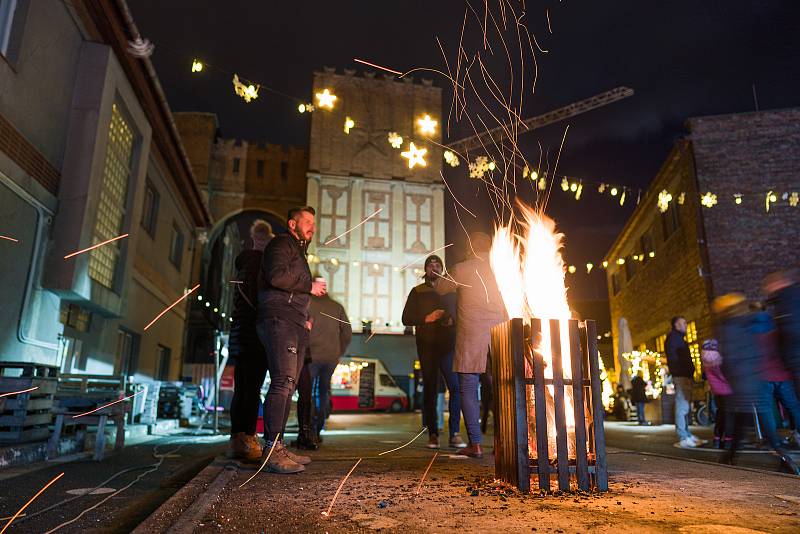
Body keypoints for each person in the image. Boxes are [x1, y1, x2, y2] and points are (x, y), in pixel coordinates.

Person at [257, 206, 327, 474]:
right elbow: (276, 276)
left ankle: (279, 446)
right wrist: (309, 286)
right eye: (307, 221)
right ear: (292, 224)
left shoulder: (298, 250)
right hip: (279, 319)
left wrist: (306, 317)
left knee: (290, 384)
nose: (312, 226)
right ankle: (271, 451)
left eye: (313, 222)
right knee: (282, 382)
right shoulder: (281, 243)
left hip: (295, 321)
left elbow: (292, 287)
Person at [436, 232, 508, 458]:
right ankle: (503, 444)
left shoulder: (463, 268)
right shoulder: (503, 269)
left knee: (468, 387)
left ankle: (475, 444)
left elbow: (440, 287)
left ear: (471, 248)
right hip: (500, 334)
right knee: (502, 389)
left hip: (471, 335)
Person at [714, 293, 799, 474]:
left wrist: (735, 378)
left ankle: (780, 456)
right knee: (744, 422)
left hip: (746, 381)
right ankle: (731, 456)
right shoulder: (751, 323)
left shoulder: (732, 327)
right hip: (753, 378)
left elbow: (732, 356)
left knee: (746, 421)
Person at [402, 255, 465, 449]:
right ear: (426, 270)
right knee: (430, 389)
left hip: (448, 345)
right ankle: (433, 434)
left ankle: (454, 432)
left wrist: (452, 320)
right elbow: (406, 318)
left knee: (455, 387)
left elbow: (461, 314)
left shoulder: (452, 291)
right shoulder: (418, 291)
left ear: (442, 268)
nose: (434, 267)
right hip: (427, 346)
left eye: (438, 264)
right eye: (430, 265)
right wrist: (426, 318)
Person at [228, 220, 274, 462]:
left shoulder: (242, 264)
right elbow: (262, 302)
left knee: (242, 388)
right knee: (252, 389)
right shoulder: (259, 265)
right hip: (254, 336)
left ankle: (237, 437)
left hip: (239, 335)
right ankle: (247, 437)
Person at [752, 303, 800, 449]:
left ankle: (774, 443)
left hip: (762, 375)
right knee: (793, 407)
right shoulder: (776, 325)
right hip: (782, 373)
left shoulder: (749, 329)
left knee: (766, 410)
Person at [307, 290, 351, 442]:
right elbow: (347, 332)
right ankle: (319, 429)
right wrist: (339, 350)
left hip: (312, 356)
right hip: (331, 357)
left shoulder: (308, 304)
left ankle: (309, 429)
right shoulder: (337, 306)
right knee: (323, 392)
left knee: (308, 392)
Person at [665, 316, 705, 448]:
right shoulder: (674, 339)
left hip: (684, 375)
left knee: (685, 407)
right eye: (683, 323)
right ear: (676, 325)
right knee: (682, 406)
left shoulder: (678, 339)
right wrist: (681, 371)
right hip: (681, 376)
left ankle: (687, 434)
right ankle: (683, 437)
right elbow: (675, 359)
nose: (686, 326)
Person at [763, 270, 800, 397]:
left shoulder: (788, 299)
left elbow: (791, 329)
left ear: (778, 283)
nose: (767, 289)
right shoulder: (786, 298)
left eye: (768, 286)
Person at [700, 338, 733, 449]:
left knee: (720, 413)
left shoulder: (705, 360)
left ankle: (717, 439)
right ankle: (728, 440)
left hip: (716, 391)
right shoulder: (719, 359)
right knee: (728, 415)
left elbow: (704, 376)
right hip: (728, 390)